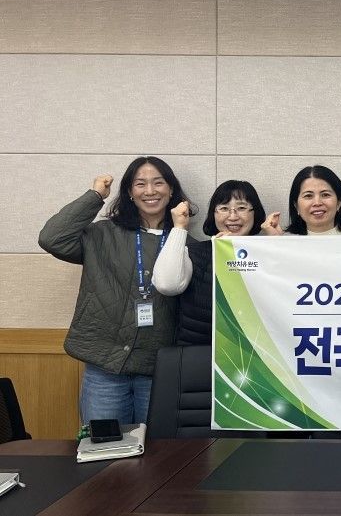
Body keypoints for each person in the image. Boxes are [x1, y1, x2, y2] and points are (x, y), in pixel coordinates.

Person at [39, 156, 194, 425]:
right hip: (104, 368)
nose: (150, 190)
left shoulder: (185, 242)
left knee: (157, 449)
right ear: (129, 193)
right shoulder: (102, 234)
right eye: (140, 184)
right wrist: (95, 196)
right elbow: (52, 239)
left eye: (158, 183)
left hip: (156, 370)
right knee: (103, 446)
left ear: (171, 190)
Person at [152, 180, 267, 346]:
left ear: (255, 213)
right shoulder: (195, 252)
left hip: (252, 355)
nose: (233, 216)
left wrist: (277, 243)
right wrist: (179, 227)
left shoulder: (265, 255)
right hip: (198, 353)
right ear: (213, 214)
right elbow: (167, 285)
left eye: (242, 208)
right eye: (224, 208)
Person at [262, 165, 341, 235]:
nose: (317, 203)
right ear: (296, 206)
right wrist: (277, 243)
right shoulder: (283, 242)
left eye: (325, 195)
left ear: (339, 203)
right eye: (308, 196)